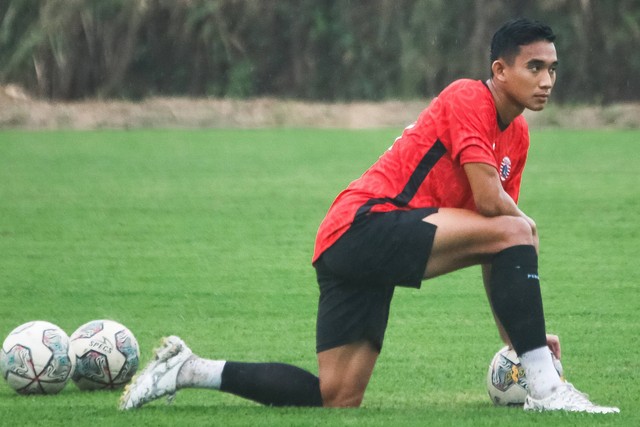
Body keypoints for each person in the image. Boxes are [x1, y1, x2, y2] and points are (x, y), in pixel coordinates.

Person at [119, 18, 619, 414]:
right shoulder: (469, 96)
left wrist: (517, 342)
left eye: (553, 69)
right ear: (500, 70)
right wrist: (531, 347)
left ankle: (189, 370)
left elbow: (497, 247)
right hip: (365, 224)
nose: (547, 80)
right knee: (516, 227)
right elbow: (495, 213)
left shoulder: (518, 138)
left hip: (355, 246)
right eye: (535, 67)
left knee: (336, 397)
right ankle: (548, 390)